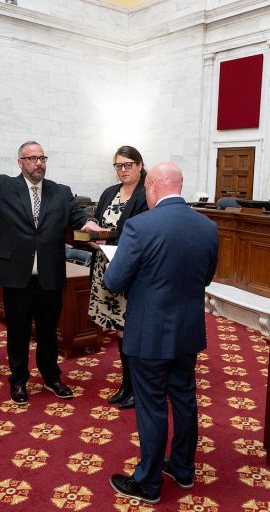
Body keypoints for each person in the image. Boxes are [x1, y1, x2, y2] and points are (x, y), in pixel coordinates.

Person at [103, 162, 218, 504]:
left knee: (152, 405)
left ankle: (148, 483)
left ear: (152, 185)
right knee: (183, 398)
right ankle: (182, 469)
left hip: (150, 333)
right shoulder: (208, 227)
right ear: (179, 186)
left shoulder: (140, 226)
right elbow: (206, 278)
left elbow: (113, 282)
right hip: (188, 331)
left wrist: (115, 264)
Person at [0, 137, 102, 405]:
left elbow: (78, 218)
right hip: (16, 274)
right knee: (18, 331)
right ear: (20, 162)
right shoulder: (3, 185)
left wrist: (90, 224)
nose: (39, 163)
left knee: (49, 330)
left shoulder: (60, 191)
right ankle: (19, 380)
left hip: (49, 274)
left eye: (42, 158)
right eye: (32, 159)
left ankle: (51, 377)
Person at [87, 146, 149, 410]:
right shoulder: (109, 192)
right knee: (119, 330)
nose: (122, 170)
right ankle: (126, 383)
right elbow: (102, 224)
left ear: (139, 165)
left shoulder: (146, 193)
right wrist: (92, 235)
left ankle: (137, 386)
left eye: (127, 165)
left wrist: (105, 238)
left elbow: (141, 233)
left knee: (131, 330)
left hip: (130, 270)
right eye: (118, 166)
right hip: (106, 267)